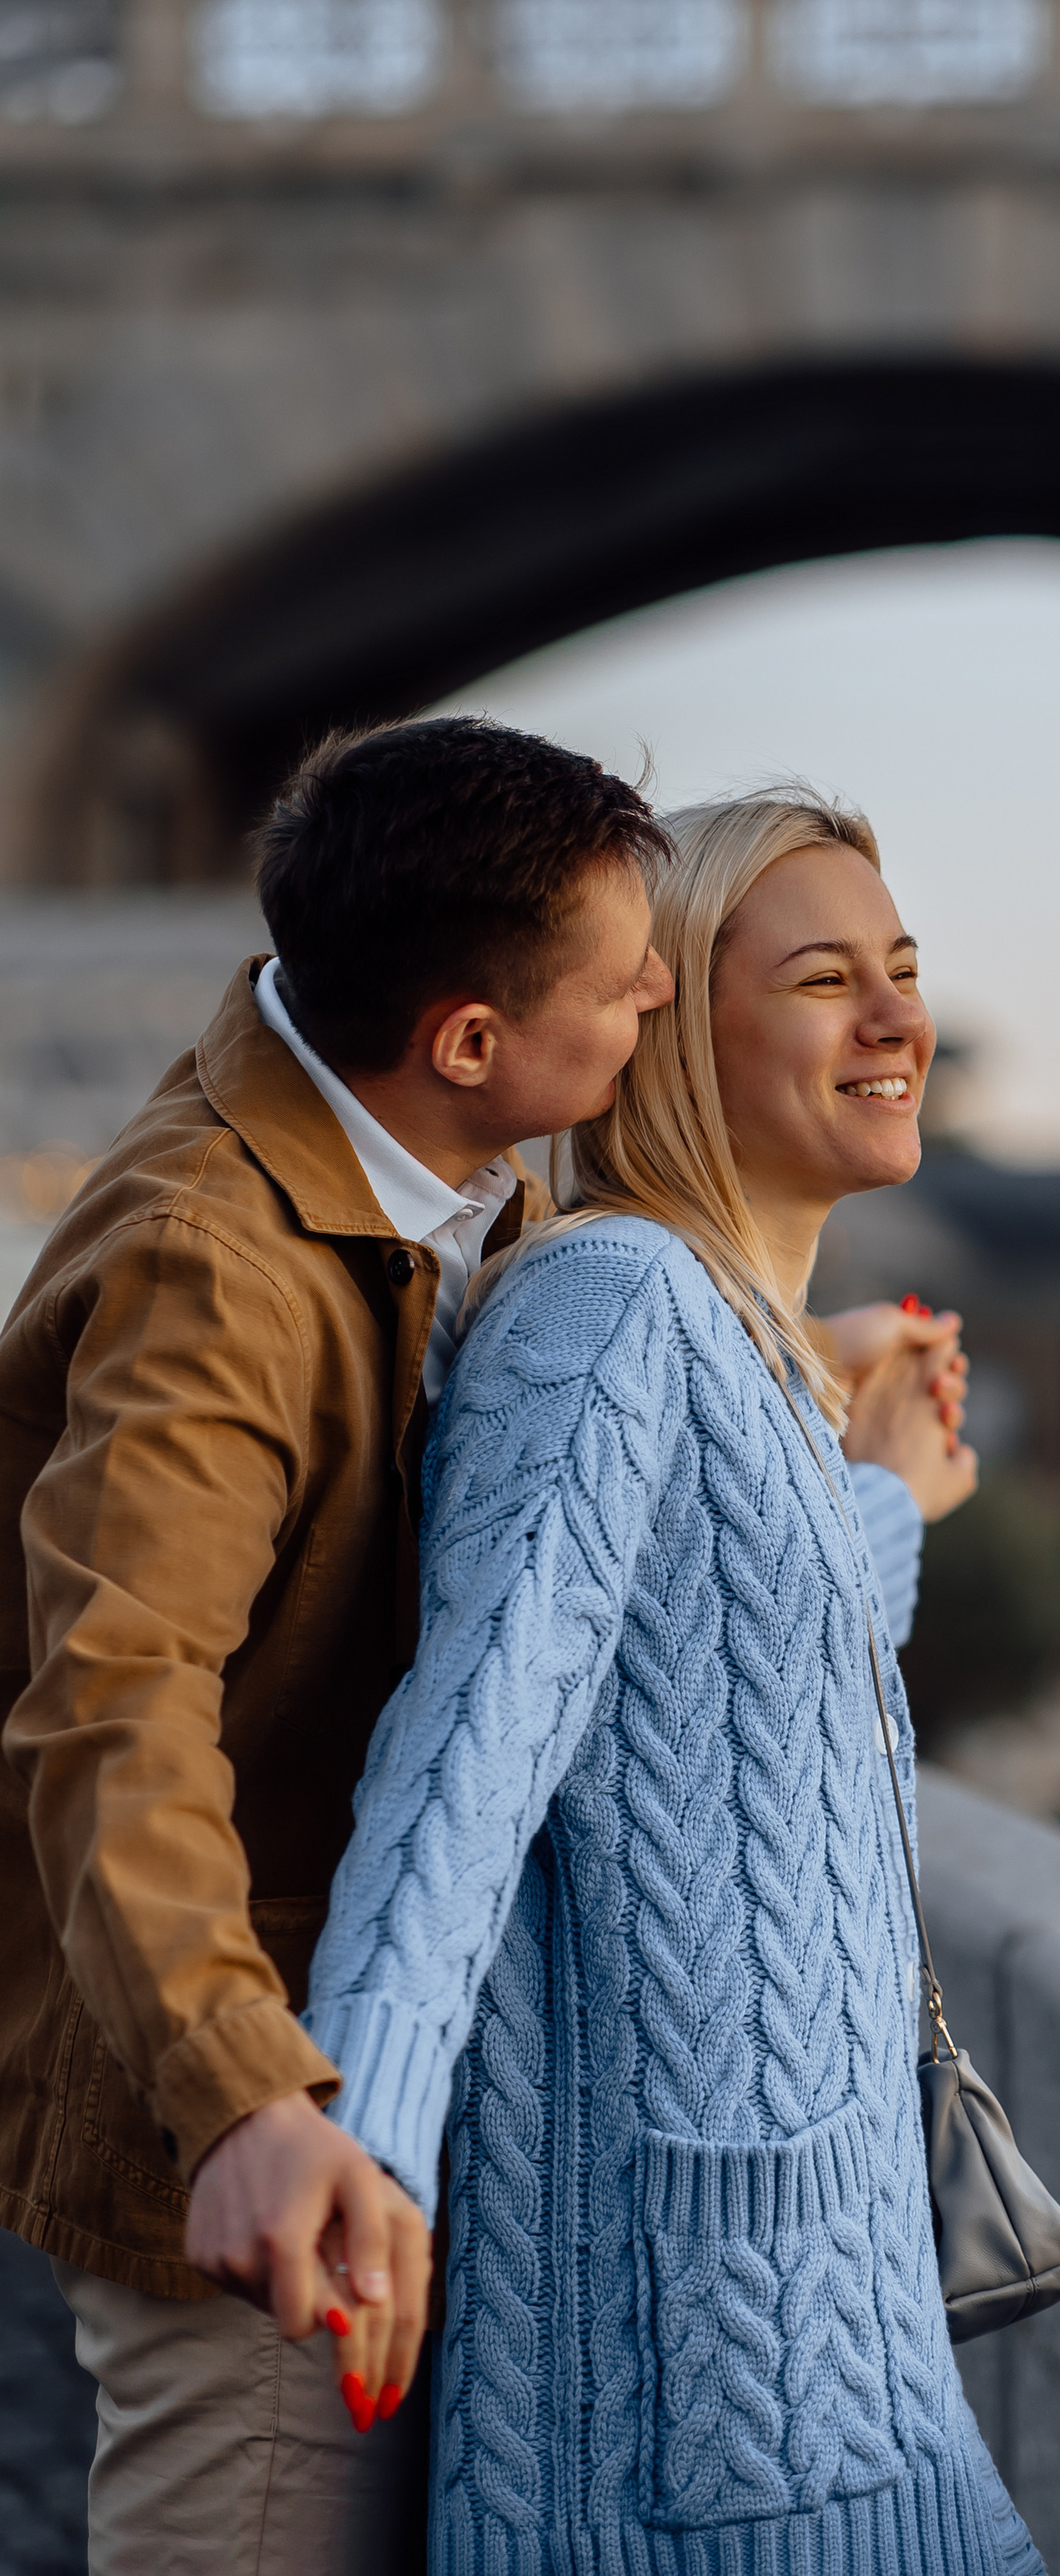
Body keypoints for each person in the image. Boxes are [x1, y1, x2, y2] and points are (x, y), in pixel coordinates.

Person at [0, 723, 967, 2576]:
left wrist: (806, 1396)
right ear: (470, 1038)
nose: (655, 1012)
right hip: (271, 2130)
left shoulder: (449, 1180)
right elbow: (115, 1713)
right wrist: (253, 2101)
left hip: (409, 2108)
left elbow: (642, 1554)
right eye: (632, 991)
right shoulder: (213, 1262)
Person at [304, 787, 1039, 2574]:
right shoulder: (612, 1309)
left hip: (825, 2328)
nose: (892, 1020)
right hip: (684, 2384)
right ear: (667, 1030)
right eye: (818, 979)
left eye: (903, 970)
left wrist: (877, 1491)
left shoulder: (719, 1343)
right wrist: (360, 2135)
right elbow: (478, 1740)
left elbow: (715, 1693)